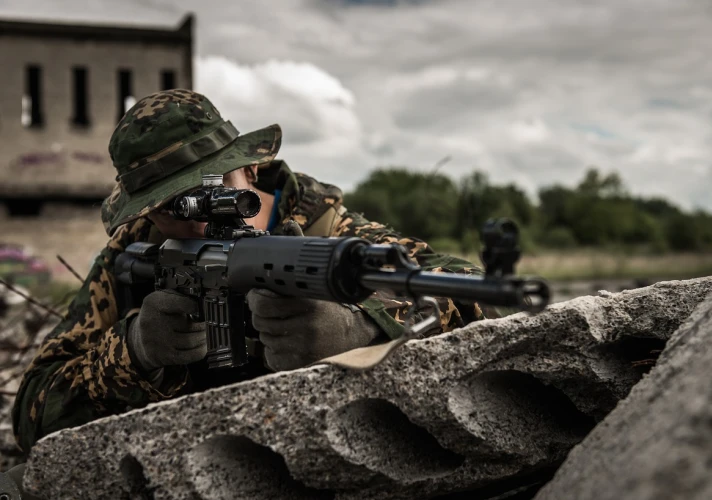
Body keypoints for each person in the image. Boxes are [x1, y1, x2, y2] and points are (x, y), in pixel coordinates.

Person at [11, 89, 493, 456]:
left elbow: (483, 299)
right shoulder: (133, 252)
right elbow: (31, 410)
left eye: (214, 186)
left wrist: (362, 329)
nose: (199, 221)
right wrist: (133, 352)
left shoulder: (329, 230)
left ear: (252, 171)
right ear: (146, 213)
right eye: (170, 209)